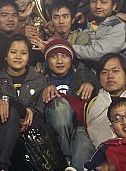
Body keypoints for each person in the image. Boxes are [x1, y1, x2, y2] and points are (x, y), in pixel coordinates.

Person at [0, 35, 49, 170]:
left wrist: (32, 111)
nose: (18, 57)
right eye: (13, 52)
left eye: (23, 53)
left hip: (30, 134)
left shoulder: (40, 80)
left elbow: (42, 107)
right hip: (3, 132)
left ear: (29, 57)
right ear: (5, 56)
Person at [42, 38, 98, 170]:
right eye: (54, 56)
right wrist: (44, 92)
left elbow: (102, 91)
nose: (59, 61)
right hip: (53, 130)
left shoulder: (84, 75)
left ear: (71, 59)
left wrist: (92, 85)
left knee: (84, 146)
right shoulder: (41, 79)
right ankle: (65, 159)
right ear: (47, 60)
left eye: (64, 56)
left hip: (80, 126)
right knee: (59, 105)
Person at [85, 53, 126, 147]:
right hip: (99, 151)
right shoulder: (90, 101)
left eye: (115, 71)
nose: (110, 76)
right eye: (104, 72)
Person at [73, 0, 126, 65]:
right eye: (94, 1)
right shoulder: (87, 24)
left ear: (114, 6)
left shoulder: (120, 27)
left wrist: (65, 47)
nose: (97, 6)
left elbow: (97, 53)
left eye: (103, 2)